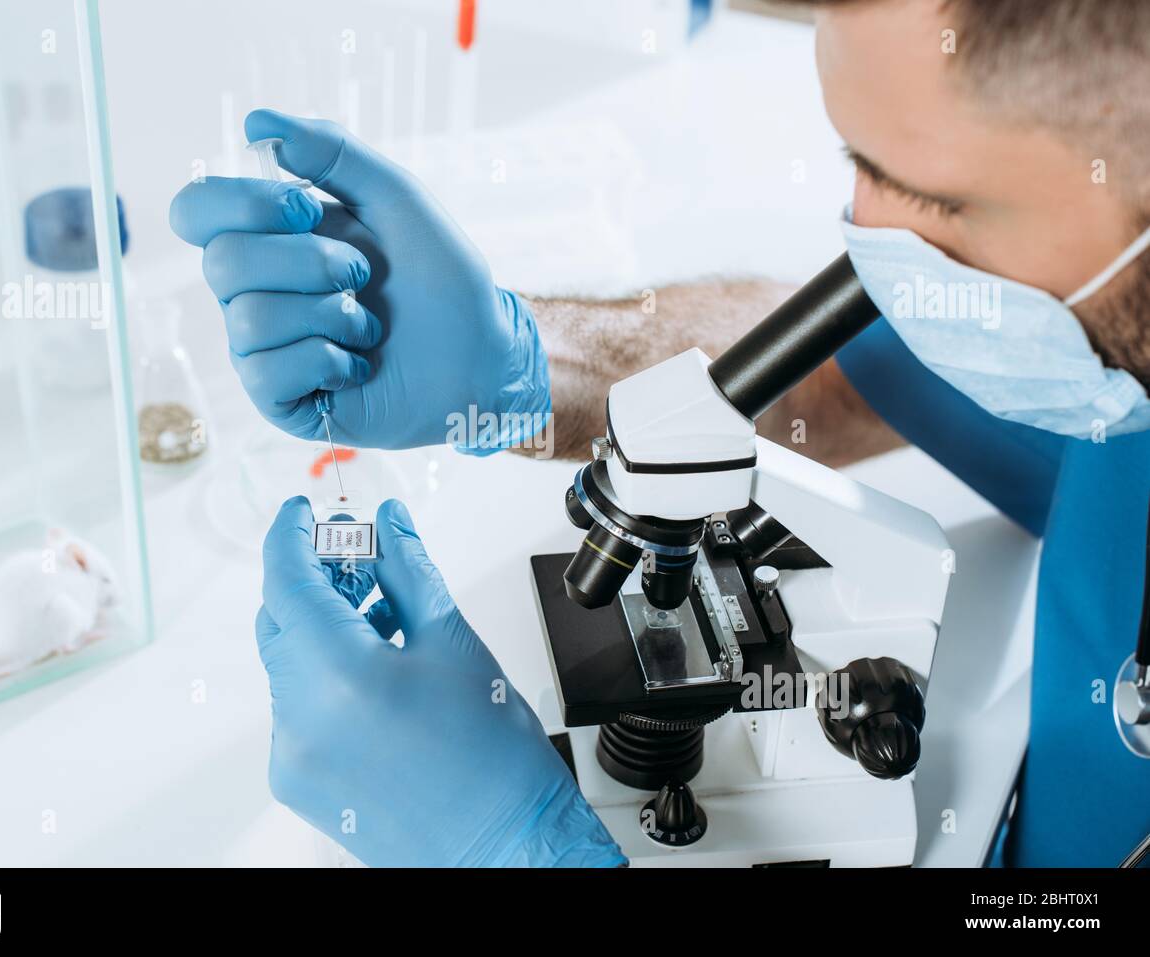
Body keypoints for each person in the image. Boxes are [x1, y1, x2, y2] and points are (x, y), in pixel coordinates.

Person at [170, 0, 1150, 867]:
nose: (866, 239)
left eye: (937, 202)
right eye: (858, 165)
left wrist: (515, 850)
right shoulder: (1107, 361)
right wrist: (525, 366)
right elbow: (855, 367)